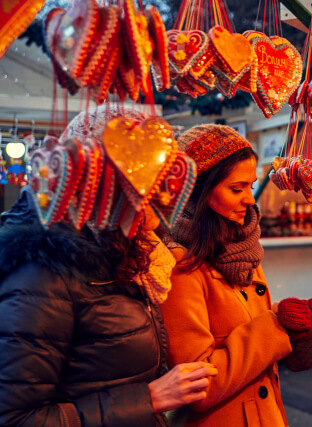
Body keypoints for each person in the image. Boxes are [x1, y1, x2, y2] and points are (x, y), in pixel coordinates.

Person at [0, 107, 217, 426]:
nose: (151, 202)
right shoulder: (42, 274)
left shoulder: (131, 254)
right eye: (136, 184)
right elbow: (16, 418)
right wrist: (150, 398)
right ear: (90, 182)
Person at [161, 124, 312, 426]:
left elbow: (254, 350)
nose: (249, 200)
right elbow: (197, 386)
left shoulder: (243, 248)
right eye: (236, 189)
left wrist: (306, 335)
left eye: (250, 187)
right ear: (196, 191)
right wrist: (277, 324)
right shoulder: (180, 265)